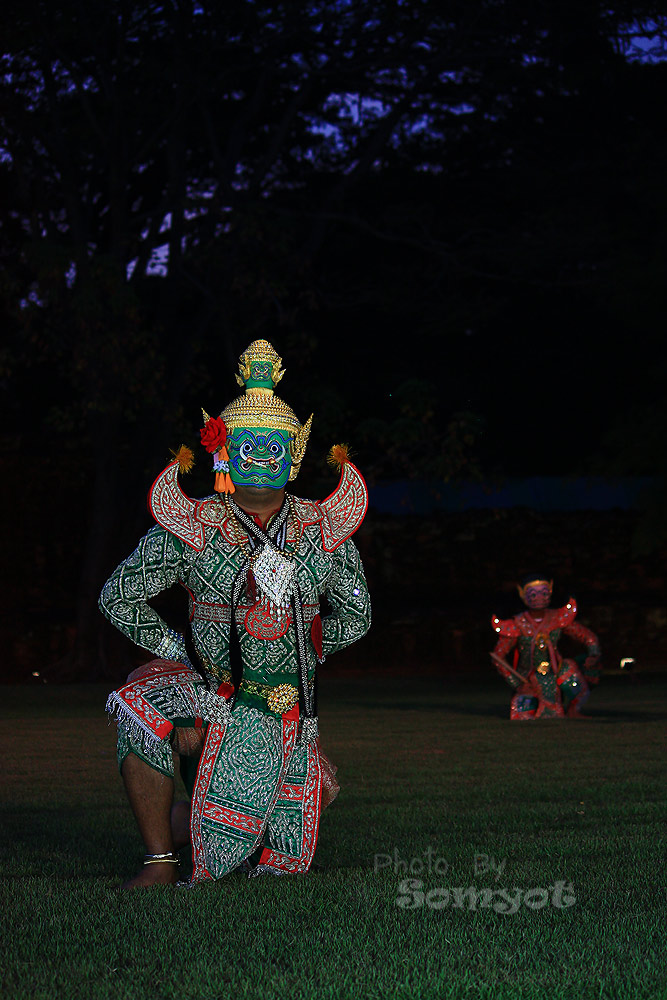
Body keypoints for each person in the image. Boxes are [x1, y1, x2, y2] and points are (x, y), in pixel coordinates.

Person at [100, 340, 371, 887]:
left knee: (268, 853)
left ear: (295, 456)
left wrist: (304, 645)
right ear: (222, 453)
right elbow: (118, 597)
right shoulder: (193, 526)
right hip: (211, 695)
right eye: (249, 443)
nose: (264, 456)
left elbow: (357, 616)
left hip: (288, 714)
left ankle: (213, 828)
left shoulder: (322, 529)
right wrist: (184, 662)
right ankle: (158, 861)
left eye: (275, 445)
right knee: (138, 700)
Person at [490, 576, 600, 720]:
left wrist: (593, 654)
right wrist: (517, 683)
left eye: (544, 592)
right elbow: (498, 656)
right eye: (533, 594)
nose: (539, 598)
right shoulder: (518, 624)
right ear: (524, 595)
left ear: (550, 592)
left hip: (556, 670)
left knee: (571, 670)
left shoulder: (557, 618)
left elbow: (587, 636)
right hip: (528, 677)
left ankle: (574, 709)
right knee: (523, 715)